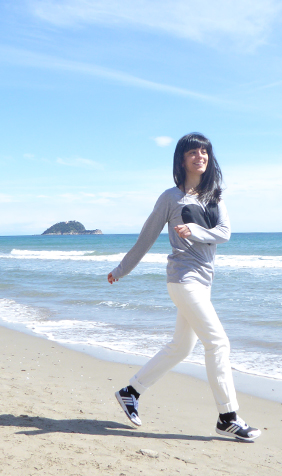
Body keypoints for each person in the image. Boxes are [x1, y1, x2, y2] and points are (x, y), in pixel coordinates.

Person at [108, 132, 261, 442]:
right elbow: (146, 237)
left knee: (182, 347)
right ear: (181, 159)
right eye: (193, 152)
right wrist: (121, 270)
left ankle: (130, 391)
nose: (199, 157)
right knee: (218, 343)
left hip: (203, 282)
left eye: (204, 152)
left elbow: (224, 233)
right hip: (182, 278)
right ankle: (227, 416)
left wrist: (193, 229)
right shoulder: (170, 198)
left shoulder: (215, 197)